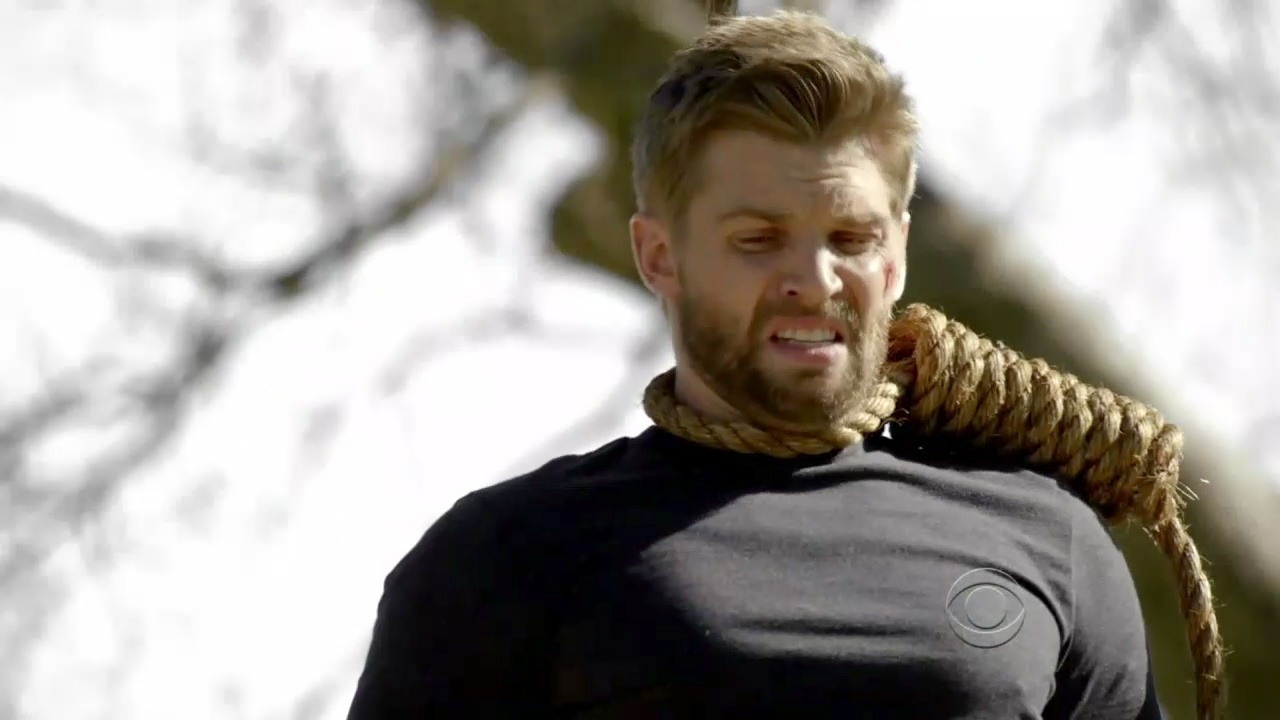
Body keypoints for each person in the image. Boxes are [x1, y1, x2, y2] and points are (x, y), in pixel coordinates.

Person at [346, 9, 1223, 719]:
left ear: (897, 255)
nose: (815, 280)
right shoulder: (507, 558)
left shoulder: (1048, 539)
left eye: (851, 238)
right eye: (759, 239)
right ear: (658, 256)